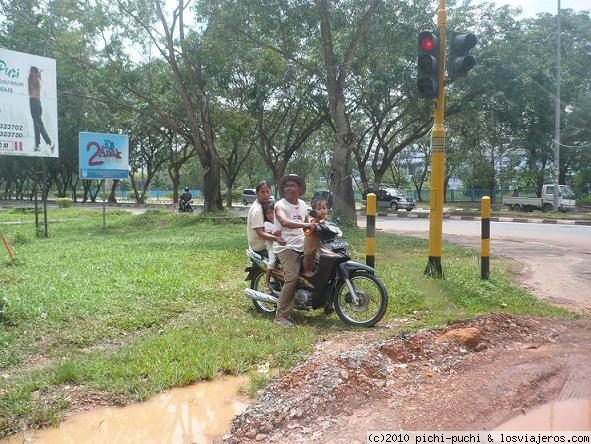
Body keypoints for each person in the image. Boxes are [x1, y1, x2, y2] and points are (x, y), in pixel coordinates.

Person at [273, 174, 316, 327]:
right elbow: (284, 221)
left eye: (292, 185)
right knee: (292, 277)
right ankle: (281, 316)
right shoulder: (280, 205)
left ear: (300, 189)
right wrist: (305, 226)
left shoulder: (303, 204)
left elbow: (307, 220)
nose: (289, 188)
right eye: (286, 186)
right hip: (286, 246)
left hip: (301, 242)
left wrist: (313, 222)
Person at [247, 181, 285, 257]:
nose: (266, 195)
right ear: (257, 193)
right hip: (261, 247)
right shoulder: (257, 210)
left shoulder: (265, 205)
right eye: (262, 192)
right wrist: (276, 238)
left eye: (268, 192)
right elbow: (260, 233)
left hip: (264, 242)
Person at [28, 66, 53, 153]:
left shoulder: (36, 80)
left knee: (39, 124)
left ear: (34, 73)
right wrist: (38, 74)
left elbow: (33, 85)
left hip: (35, 102)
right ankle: (37, 145)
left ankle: (49, 142)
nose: (30, 73)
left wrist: (38, 73)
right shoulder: (33, 79)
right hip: (34, 102)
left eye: (32, 72)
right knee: (36, 124)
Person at [302, 198, 329, 278]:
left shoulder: (324, 219)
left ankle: (311, 269)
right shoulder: (315, 219)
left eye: (324, 208)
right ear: (314, 211)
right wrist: (316, 224)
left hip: (317, 240)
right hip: (310, 239)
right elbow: (312, 228)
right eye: (319, 209)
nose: (322, 211)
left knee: (313, 256)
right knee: (307, 256)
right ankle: (306, 271)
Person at [262, 201, 281, 294]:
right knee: (272, 262)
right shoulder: (267, 224)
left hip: (281, 246)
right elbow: (271, 233)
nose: (270, 215)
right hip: (272, 246)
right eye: (267, 213)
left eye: (272, 212)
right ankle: (266, 283)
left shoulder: (280, 222)